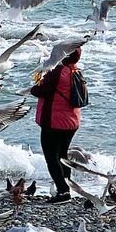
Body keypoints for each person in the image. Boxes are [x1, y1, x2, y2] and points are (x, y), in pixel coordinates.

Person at [30, 46, 82, 203]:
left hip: (54, 122)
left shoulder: (57, 71)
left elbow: (38, 91)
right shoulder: (75, 70)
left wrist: (36, 81)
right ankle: (66, 186)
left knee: (52, 157)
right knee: (63, 155)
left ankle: (63, 192)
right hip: (72, 121)